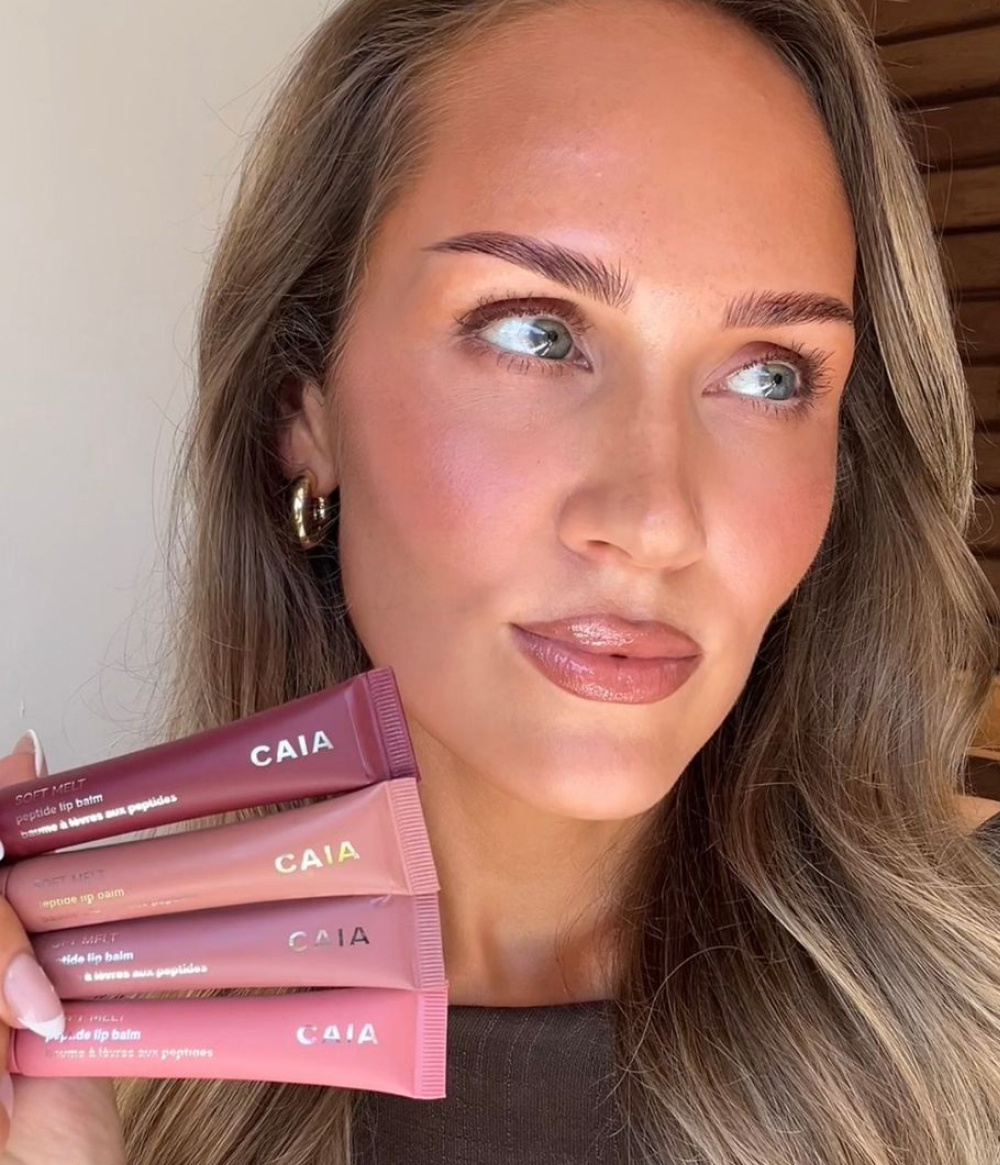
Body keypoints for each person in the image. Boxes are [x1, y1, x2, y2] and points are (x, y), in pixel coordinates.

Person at [3, 0, 1000, 1161]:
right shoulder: (89, 1049)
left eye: (771, 373)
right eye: (534, 332)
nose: (656, 520)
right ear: (302, 412)